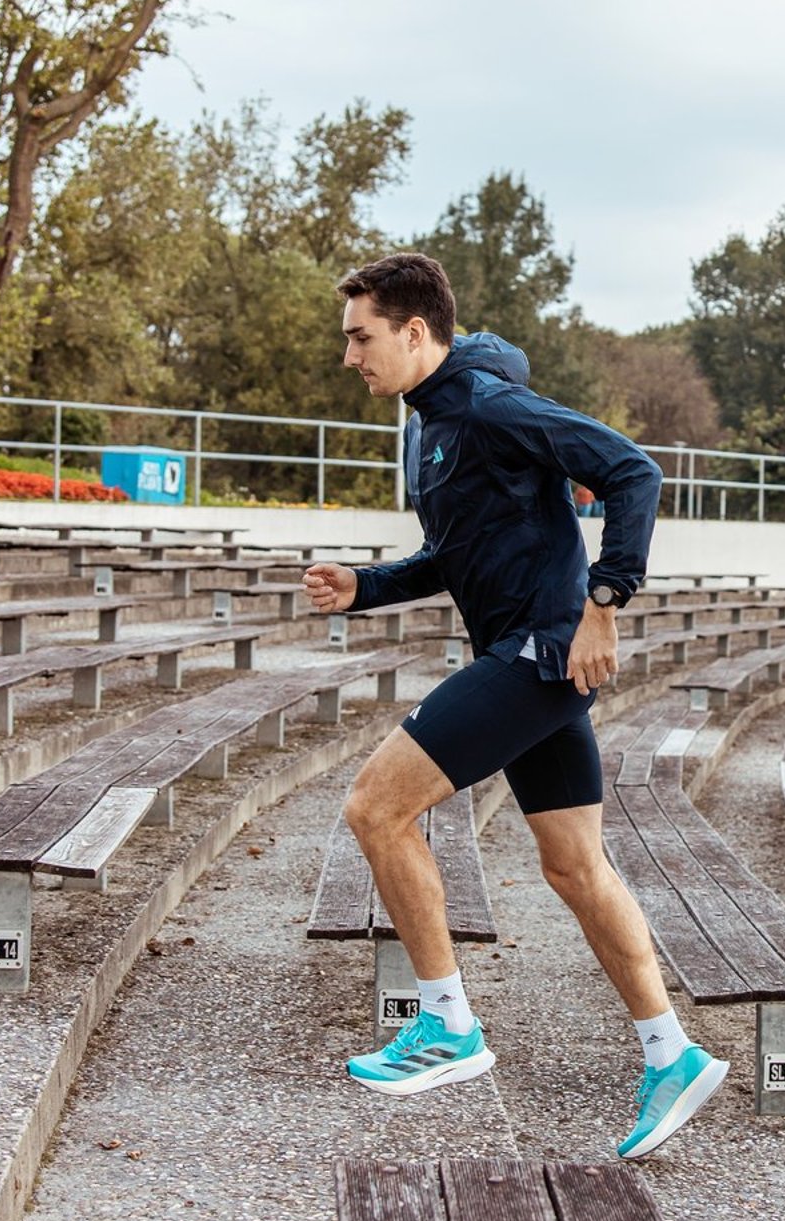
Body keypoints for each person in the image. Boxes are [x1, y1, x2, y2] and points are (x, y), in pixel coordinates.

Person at [305, 251, 727, 1163]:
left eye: (361, 338)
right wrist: (365, 585)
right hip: (533, 660)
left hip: (537, 655)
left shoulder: (489, 406)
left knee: (376, 808)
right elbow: (452, 554)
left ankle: (448, 1025)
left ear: (415, 331)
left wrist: (605, 602)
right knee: (576, 866)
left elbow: (633, 471)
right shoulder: (429, 423)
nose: (350, 357)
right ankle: (673, 1055)